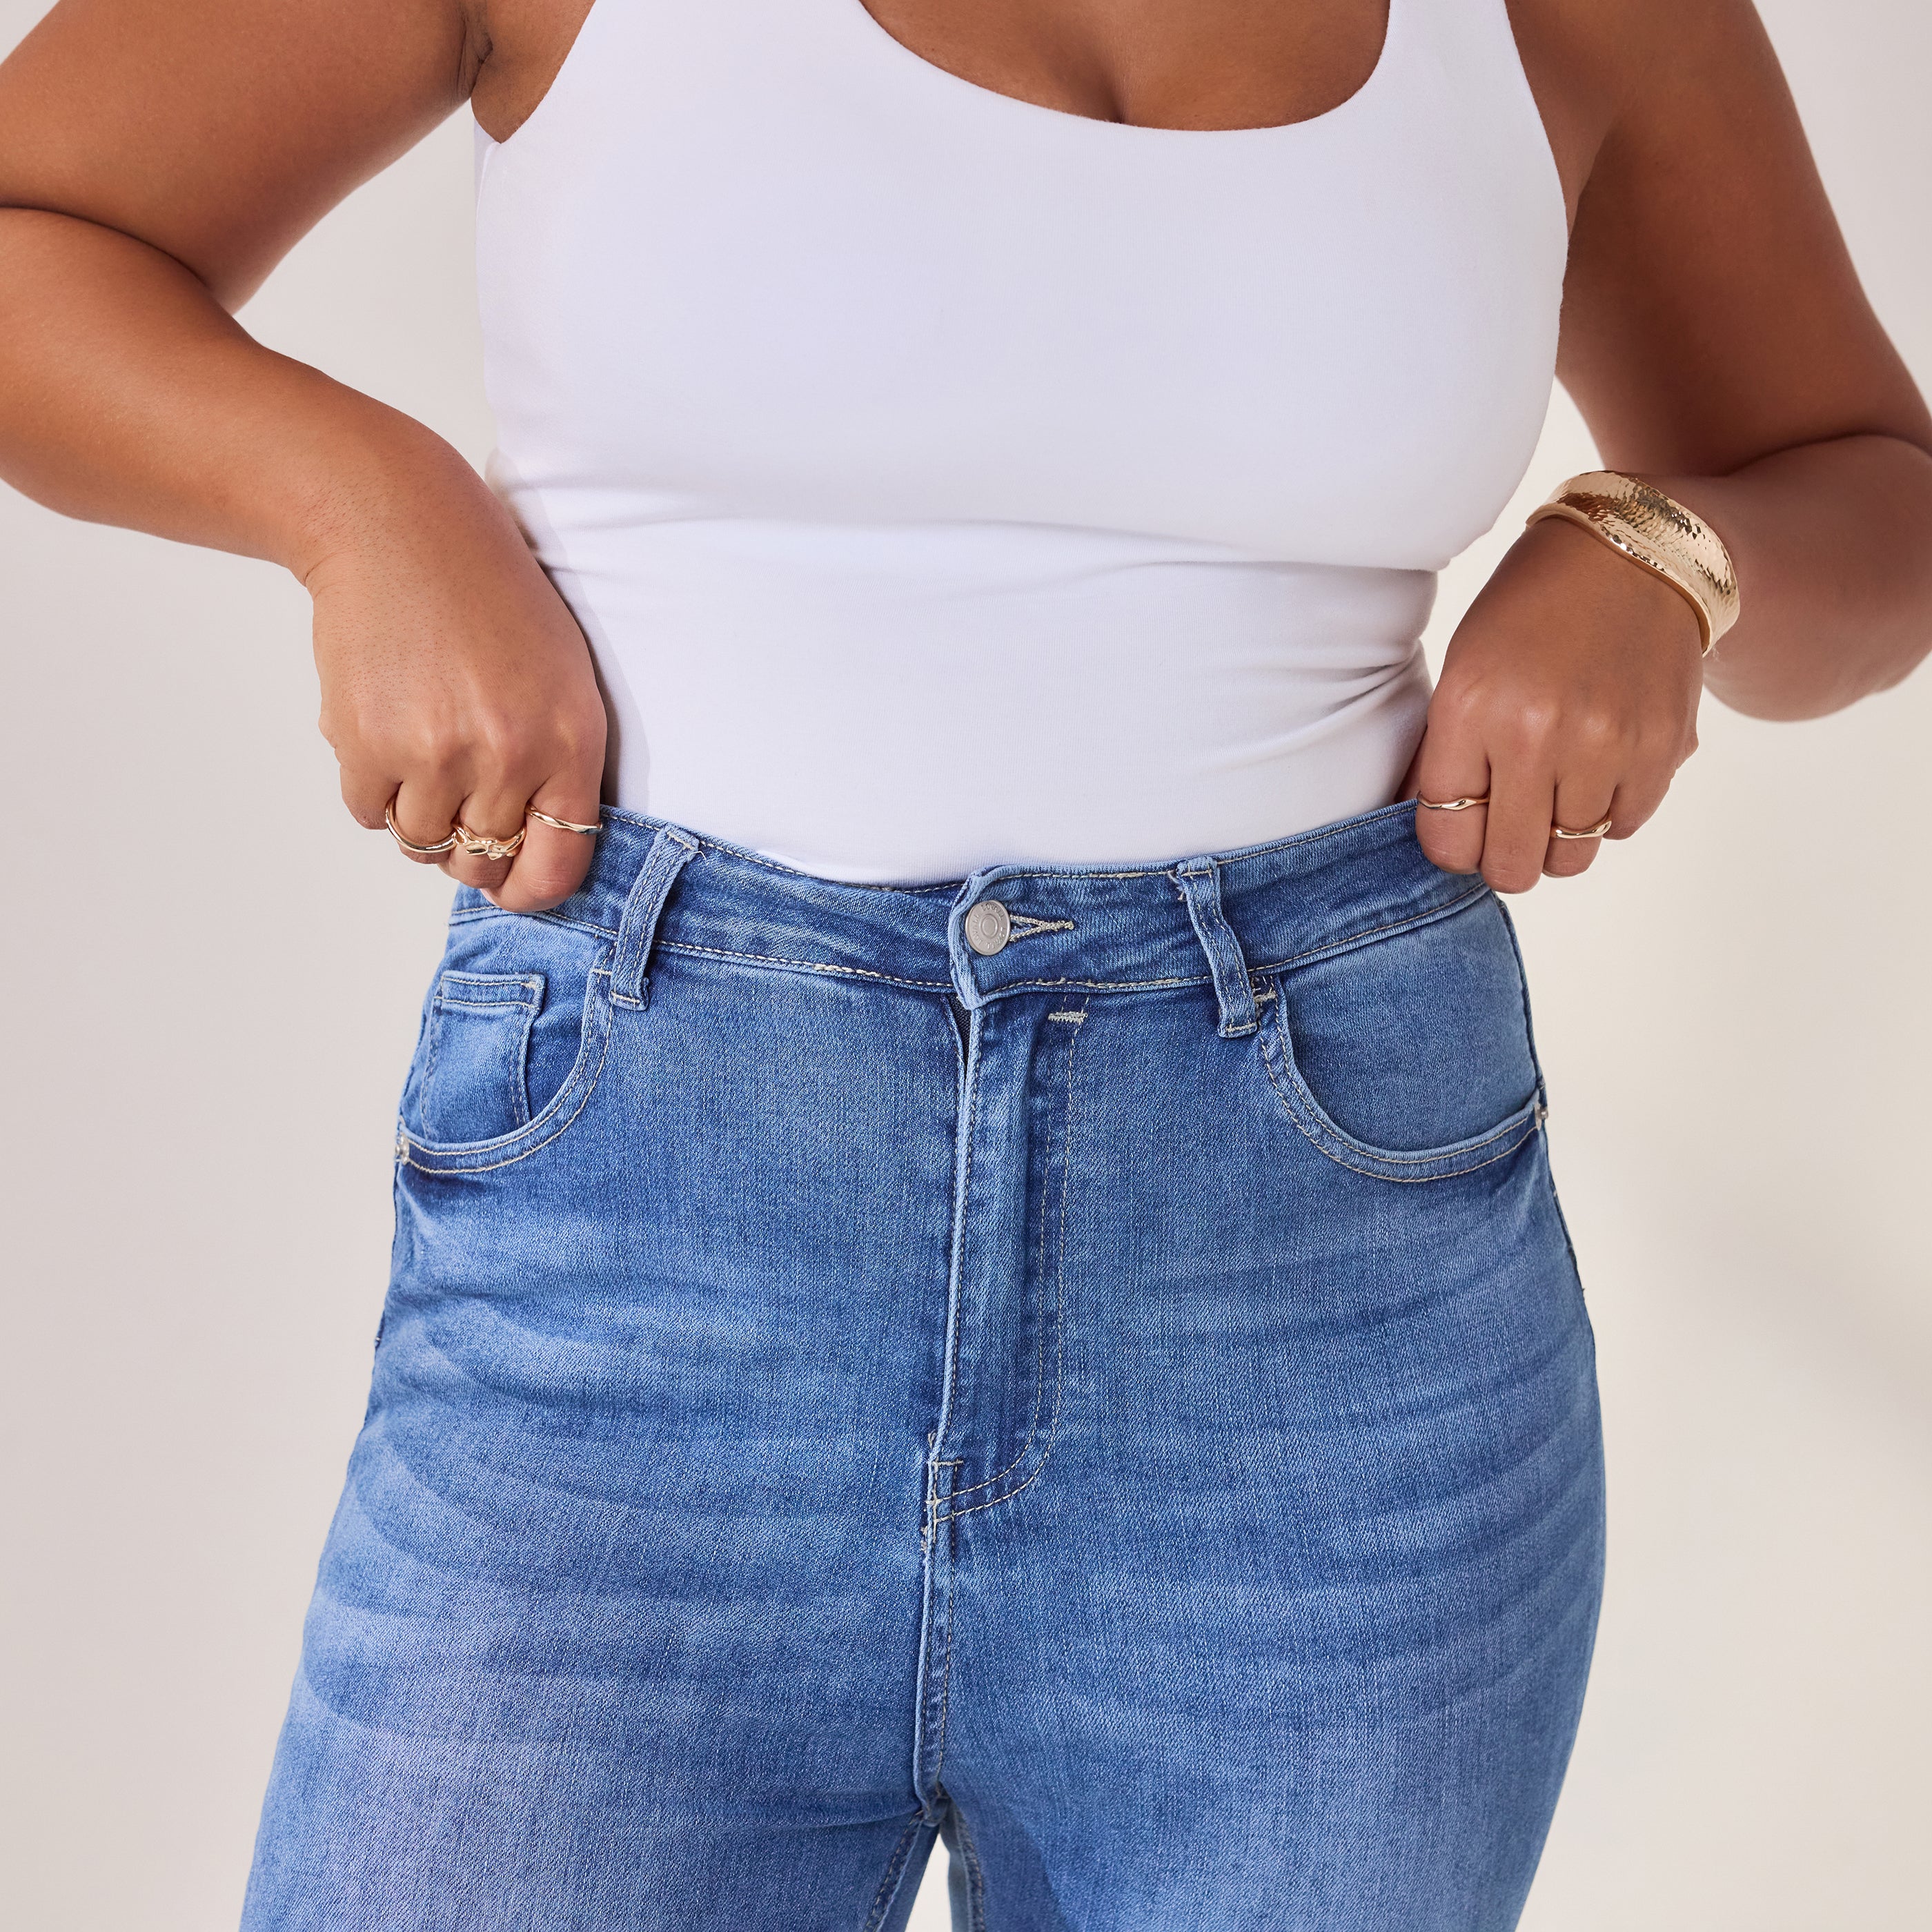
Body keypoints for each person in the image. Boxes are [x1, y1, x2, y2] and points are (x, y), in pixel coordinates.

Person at [1, 0, 1927, 1925]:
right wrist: (368, 510)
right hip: (646, 1272)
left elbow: (1867, 484)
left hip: (1322, 1335)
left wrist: (1658, 555)